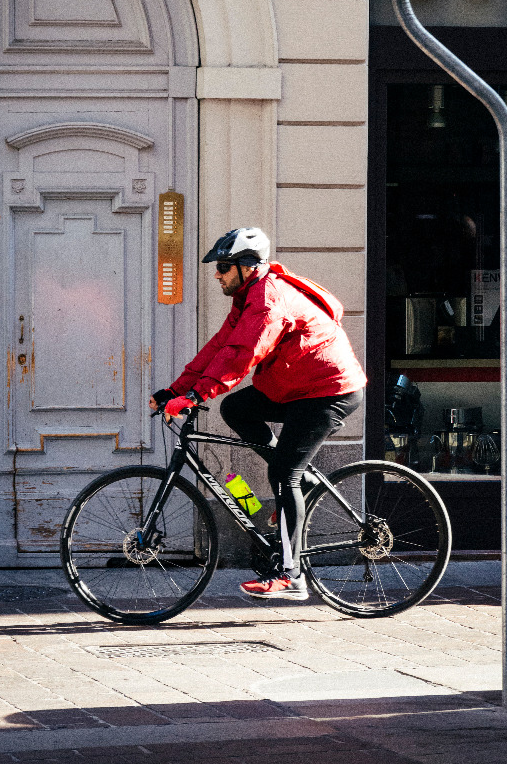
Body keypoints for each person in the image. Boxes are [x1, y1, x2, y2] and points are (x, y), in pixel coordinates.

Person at [150, 226, 366, 601]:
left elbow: (242, 356)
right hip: (295, 387)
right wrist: (176, 389)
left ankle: (291, 575)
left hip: (328, 392)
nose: (217, 274)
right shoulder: (248, 297)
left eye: (222, 267)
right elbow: (220, 347)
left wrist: (198, 393)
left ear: (247, 266)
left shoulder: (268, 302)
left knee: (283, 473)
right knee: (236, 407)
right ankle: (304, 481)